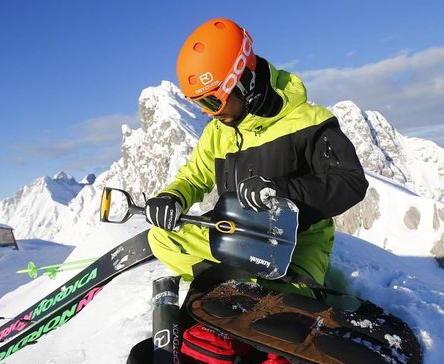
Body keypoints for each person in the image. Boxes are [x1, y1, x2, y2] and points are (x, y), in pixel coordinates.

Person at [145, 17, 368, 287]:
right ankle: (239, 283)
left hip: (297, 241)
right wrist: (172, 197)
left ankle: (273, 287)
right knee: (161, 238)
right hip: (239, 234)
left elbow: (350, 180)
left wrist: (280, 193)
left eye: (212, 100)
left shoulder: (309, 121)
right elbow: (194, 177)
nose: (208, 112)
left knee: (282, 306)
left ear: (243, 79)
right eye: (199, 103)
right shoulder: (218, 132)